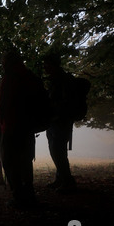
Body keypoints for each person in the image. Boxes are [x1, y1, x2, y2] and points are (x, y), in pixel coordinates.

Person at [0, 49, 42, 208]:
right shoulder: (30, 76)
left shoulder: (10, 78)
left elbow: (4, 104)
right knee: (26, 161)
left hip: (12, 127)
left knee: (9, 162)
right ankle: (30, 194)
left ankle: (19, 196)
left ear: (7, 61)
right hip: (28, 126)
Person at [43, 53, 77, 193]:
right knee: (57, 151)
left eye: (47, 64)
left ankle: (67, 181)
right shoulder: (57, 79)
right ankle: (61, 179)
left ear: (53, 64)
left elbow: (64, 102)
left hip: (59, 121)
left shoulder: (61, 80)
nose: (45, 67)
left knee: (58, 151)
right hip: (56, 121)